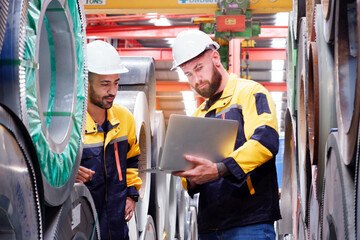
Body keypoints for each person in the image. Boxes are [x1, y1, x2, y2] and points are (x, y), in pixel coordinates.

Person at [171, 30, 281, 240]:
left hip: (250, 223)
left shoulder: (249, 93)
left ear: (215, 58)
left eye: (199, 68)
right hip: (210, 226)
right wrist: (189, 177)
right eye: (188, 74)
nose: (196, 79)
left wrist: (220, 169)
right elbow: (189, 177)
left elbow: (265, 142)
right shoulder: (198, 115)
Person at [76, 40, 142, 240]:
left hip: (116, 226)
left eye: (116, 82)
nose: (113, 91)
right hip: (81, 226)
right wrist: (69, 175)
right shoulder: (70, 126)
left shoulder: (124, 118)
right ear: (86, 82)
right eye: (105, 84)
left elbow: (132, 160)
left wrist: (131, 195)